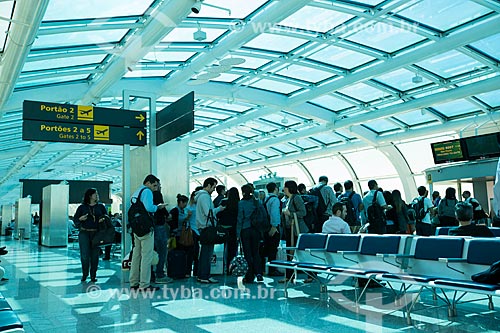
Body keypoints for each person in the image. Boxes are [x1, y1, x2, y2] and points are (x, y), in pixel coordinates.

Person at [129, 174, 167, 291]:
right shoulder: (147, 191)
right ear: (148, 183)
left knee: (136, 255)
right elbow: (149, 208)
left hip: (136, 228)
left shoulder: (137, 192)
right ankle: (144, 284)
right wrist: (158, 207)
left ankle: (133, 282)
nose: (155, 187)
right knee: (147, 256)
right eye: (154, 185)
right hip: (145, 228)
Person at [73, 188, 108, 283]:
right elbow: (75, 219)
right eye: (95, 194)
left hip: (96, 234)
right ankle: (85, 273)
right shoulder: (82, 207)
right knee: (84, 255)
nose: (97, 195)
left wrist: (102, 220)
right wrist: (80, 219)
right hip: (84, 232)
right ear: (90, 196)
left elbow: (107, 218)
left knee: (94, 255)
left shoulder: (101, 207)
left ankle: (93, 275)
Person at [195, 177, 225, 283]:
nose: (214, 189)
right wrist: (219, 209)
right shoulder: (204, 197)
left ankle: (203, 275)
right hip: (206, 227)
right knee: (207, 253)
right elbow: (208, 212)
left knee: (205, 252)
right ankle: (204, 276)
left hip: (203, 227)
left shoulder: (200, 196)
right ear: (208, 185)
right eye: (213, 187)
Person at [280, 180, 307, 283]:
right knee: (290, 253)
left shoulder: (296, 198)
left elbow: (303, 212)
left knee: (301, 253)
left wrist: (290, 213)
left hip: (297, 230)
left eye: (285, 187)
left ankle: (310, 275)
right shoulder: (287, 199)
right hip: (290, 230)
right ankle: (289, 276)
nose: (284, 189)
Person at [237, 184, 264, 283]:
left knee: (247, 254)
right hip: (256, 230)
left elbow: (240, 219)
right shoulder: (256, 202)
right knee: (256, 253)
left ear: (243, 192)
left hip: (245, 230)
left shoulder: (241, 203)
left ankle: (249, 275)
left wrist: (237, 233)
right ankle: (259, 273)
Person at [216, 187, 239, 274]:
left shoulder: (224, 201)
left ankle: (220, 267)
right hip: (233, 228)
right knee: (232, 249)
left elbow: (218, 214)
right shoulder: (238, 203)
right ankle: (230, 267)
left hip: (222, 227)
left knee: (221, 248)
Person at [152, 186, 172, 284]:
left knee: (152, 251)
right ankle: (160, 274)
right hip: (159, 226)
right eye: (158, 185)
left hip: (151, 227)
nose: (160, 187)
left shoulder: (145, 195)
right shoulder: (157, 194)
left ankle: (151, 274)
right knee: (162, 250)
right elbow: (161, 208)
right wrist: (167, 215)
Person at [262, 182, 282, 276]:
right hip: (273, 227)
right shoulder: (275, 199)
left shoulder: (265, 199)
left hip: (265, 227)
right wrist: (274, 226)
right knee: (273, 249)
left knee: (267, 247)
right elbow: (275, 213)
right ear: (275, 189)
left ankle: (264, 268)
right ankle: (272, 269)